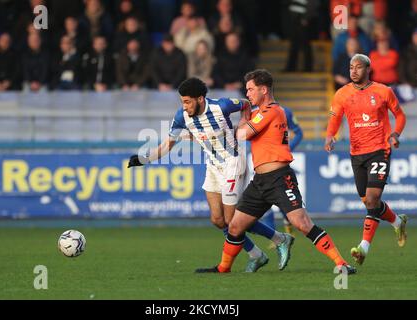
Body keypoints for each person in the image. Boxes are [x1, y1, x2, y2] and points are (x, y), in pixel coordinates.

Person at [196, 69, 356, 274]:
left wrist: (244, 115)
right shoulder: (260, 113)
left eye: (251, 89)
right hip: (260, 180)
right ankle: (223, 268)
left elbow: (242, 134)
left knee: (302, 223)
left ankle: (341, 263)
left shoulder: (271, 110)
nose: (248, 94)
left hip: (280, 178)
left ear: (264, 90)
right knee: (235, 226)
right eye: (247, 90)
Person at [127, 77, 293, 272]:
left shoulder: (222, 106)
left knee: (233, 221)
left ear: (200, 99)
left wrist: (243, 123)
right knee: (217, 220)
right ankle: (257, 254)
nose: (184, 106)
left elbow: (246, 104)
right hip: (213, 166)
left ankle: (279, 239)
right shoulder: (182, 117)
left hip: (233, 163)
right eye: (182, 102)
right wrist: (143, 159)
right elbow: (166, 146)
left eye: (188, 101)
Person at [325, 54, 408, 266]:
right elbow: (335, 119)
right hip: (357, 154)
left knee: (371, 200)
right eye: (351, 67)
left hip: (380, 150)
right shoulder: (342, 94)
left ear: (368, 69)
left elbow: (400, 116)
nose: (353, 71)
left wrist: (395, 135)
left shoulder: (383, 91)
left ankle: (363, 248)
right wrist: (329, 137)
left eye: (358, 67)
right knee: (370, 202)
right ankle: (398, 221)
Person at [259, 105, 303, 234]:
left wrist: (287, 151)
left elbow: (299, 133)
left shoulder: (284, 111)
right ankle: (276, 237)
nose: (249, 94)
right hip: (259, 162)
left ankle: (288, 225)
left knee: (283, 199)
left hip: (279, 164)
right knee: (264, 201)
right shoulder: (252, 112)